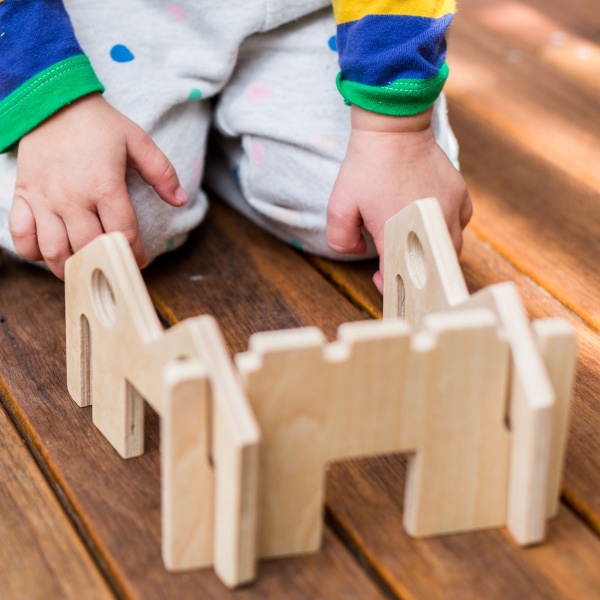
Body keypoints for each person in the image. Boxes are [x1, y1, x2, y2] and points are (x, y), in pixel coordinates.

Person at [0, 0, 471, 291]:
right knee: (100, 227)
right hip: (108, 12)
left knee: (375, 223)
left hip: (313, 12)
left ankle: (212, 136)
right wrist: (48, 101)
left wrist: (395, 129)